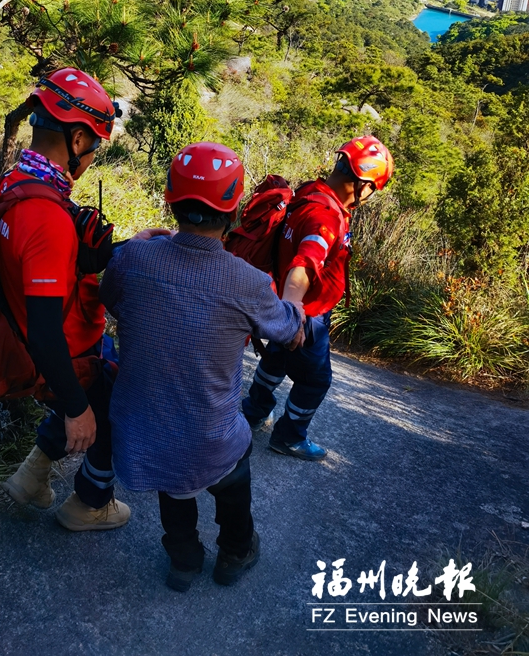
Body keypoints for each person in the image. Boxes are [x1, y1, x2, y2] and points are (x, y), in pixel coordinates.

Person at [99, 142, 305, 592]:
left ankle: (184, 560)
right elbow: (289, 332)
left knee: (174, 481)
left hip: (142, 436)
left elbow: (110, 296)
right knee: (230, 457)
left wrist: (136, 247)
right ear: (233, 210)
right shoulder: (248, 282)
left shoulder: (133, 259)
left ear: (171, 200)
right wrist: (294, 294)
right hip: (208, 440)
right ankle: (235, 550)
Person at [0, 67, 162, 531]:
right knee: (112, 410)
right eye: (93, 145)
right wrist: (77, 410)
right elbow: (46, 331)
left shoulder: (19, 183)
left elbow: (53, 262)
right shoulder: (46, 217)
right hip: (64, 352)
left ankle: (32, 477)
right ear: (75, 141)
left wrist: (125, 247)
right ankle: (88, 506)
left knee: (98, 393)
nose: (91, 157)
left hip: (31, 339)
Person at [242, 135, 394, 461]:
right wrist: (293, 313)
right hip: (306, 315)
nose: (369, 197)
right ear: (362, 183)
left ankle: (254, 410)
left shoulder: (311, 192)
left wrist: (283, 312)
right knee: (316, 380)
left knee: (277, 358)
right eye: (372, 189)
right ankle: (290, 436)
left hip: (285, 305)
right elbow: (305, 264)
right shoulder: (326, 219)